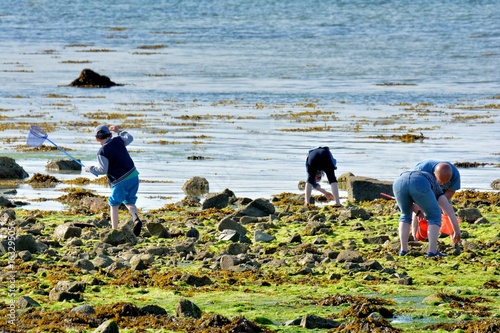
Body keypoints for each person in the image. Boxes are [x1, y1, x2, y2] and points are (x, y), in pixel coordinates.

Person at [85, 125, 142, 236]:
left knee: (114, 204)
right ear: (110, 135)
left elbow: (103, 169)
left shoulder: (102, 151)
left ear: (97, 138)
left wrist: (90, 168)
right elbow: (130, 138)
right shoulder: (118, 140)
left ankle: (114, 230)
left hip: (119, 181)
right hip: (133, 175)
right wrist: (119, 131)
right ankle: (136, 219)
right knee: (129, 201)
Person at [392, 170, 461, 258]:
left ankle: (403, 250)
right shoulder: (437, 188)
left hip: (399, 182)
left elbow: (409, 205)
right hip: (420, 182)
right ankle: (432, 251)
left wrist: (417, 212)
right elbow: (449, 210)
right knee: (435, 215)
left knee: (405, 215)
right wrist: (457, 231)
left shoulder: (426, 178)